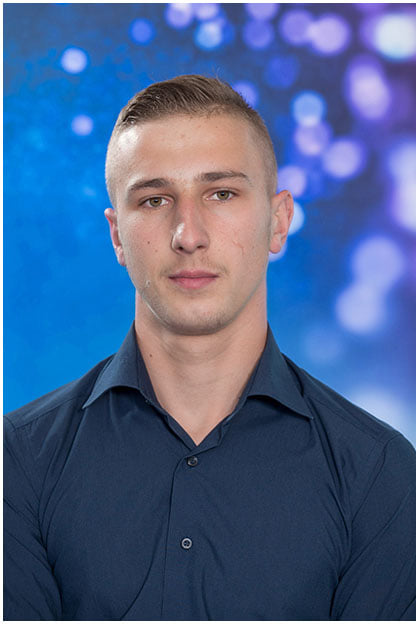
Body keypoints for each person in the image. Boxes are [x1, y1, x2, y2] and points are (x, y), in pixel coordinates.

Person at [4, 74, 415, 622]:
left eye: (221, 193)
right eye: (154, 200)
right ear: (118, 236)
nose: (188, 234)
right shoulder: (18, 462)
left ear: (279, 220)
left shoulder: (379, 471)